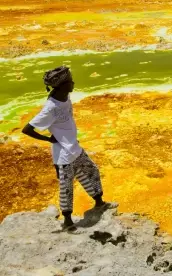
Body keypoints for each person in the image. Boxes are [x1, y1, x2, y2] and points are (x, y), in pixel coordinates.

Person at [22, 66, 117, 230]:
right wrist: (49, 139)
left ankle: (99, 202)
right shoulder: (50, 108)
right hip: (63, 156)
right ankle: (67, 221)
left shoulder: (64, 97)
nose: (73, 83)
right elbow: (27, 129)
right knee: (66, 188)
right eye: (70, 81)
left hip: (75, 148)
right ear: (62, 85)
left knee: (91, 171)